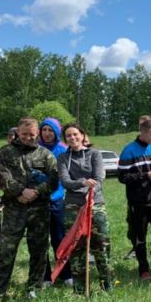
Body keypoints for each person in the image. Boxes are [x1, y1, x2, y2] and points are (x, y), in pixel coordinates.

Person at [0, 117, 58, 299]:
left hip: (40, 210)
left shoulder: (46, 155)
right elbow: (3, 177)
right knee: (6, 251)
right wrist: (20, 192)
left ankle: (33, 289)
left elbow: (53, 180)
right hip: (14, 208)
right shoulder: (5, 152)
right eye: (25, 134)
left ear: (38, 134)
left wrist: (35, 191)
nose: (28, 137)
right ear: (18, 132)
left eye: (32, 134)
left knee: (39, 251)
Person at [57, 123, 113, 293]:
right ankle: (80, 289)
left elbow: (99, 177)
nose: (72, 138)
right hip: (73, 206)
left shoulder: (94, 154)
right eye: (68, 136)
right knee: (77, 248)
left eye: (75, 134)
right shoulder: (63, 158)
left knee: (101, 245)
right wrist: (82, 182)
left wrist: (91, 191)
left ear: (82, 135)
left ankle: (107, 287)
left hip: (95, 204)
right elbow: (65, 181)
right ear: (65, 139)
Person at [118, 115, 151, 280]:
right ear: (142, 133)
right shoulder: (129, 150)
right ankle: (144, 269)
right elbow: (122, 177)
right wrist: (146, 175)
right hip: (138, 201)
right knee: (139, 237)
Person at [38, 117, 72, 287]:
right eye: (44, 130)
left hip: (56, 199)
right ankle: (45, 277)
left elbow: (65, 176)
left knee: (59, 238)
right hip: (37, 200)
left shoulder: (63, 150)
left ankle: (65, 274)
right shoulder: (35, 148)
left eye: (50, 130)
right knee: (41, 240)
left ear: (57, 132)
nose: (47, 133)